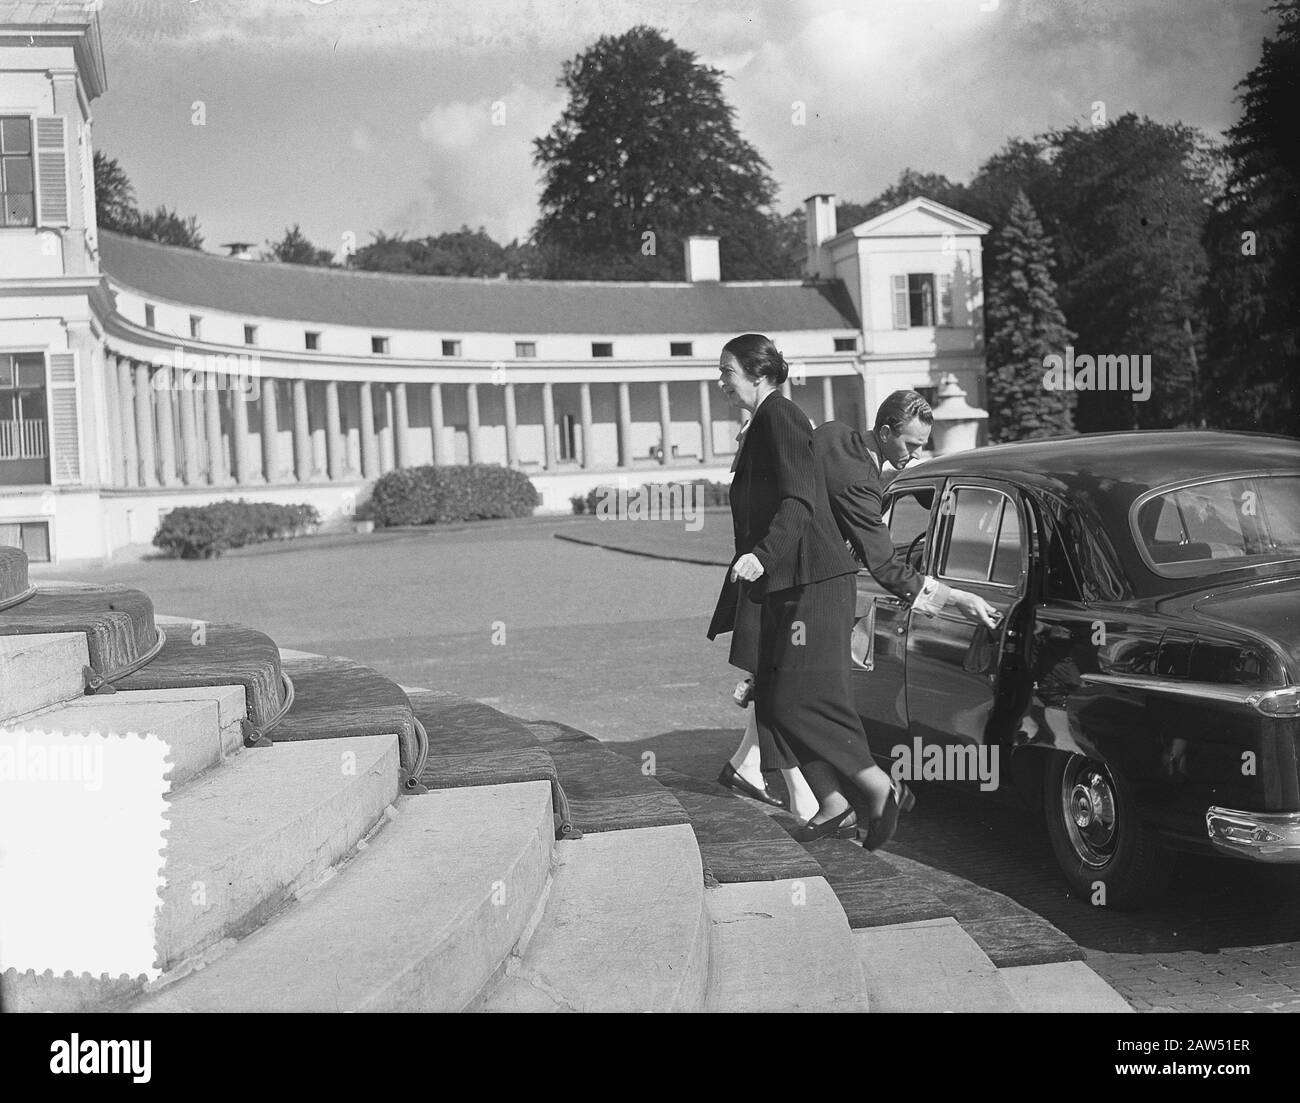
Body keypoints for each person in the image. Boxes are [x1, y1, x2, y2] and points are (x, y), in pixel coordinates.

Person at [707, 333, 905, 851]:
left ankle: (875, 785)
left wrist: (760, 555)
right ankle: (832, 801)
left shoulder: (783, 416)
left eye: (726, 370)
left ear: (758, 373)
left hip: (815, 584)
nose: (720, 381)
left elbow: (797, 499)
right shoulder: (761, 424)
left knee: (806, 699)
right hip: (789, 584)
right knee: (773, 699)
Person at [800, 392, 1000, 836]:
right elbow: (886, 565)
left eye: (923, 446)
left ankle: (839, 798)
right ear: (885, 432)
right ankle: (867, 789)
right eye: (910, 445)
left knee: (798, 701)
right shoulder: (862, 482)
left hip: (795, 590)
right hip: (817, 595)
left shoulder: (832, 433)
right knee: (808, 702)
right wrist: (957, 598)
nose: (916, 454)